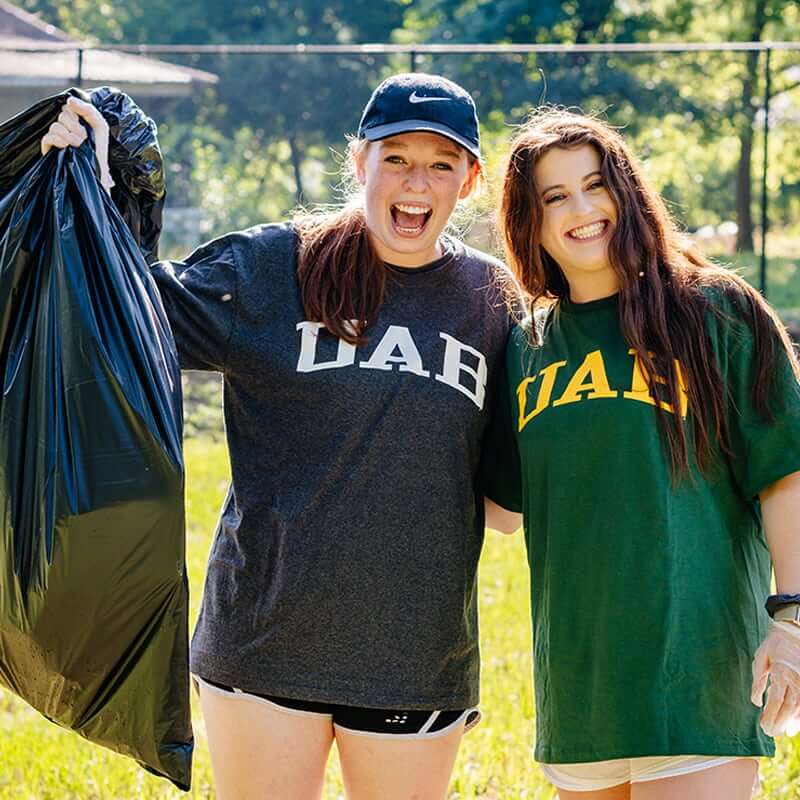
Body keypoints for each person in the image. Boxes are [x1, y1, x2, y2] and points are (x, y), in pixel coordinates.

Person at [42, 73, 513, 800]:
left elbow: (517, 481)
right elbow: (118, 310)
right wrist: (91, 182)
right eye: (396, 158)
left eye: (440, 164)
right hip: (261, 644)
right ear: (359, 161)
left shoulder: (491, 300)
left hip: (414, 655)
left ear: (470, 179)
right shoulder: (270, 268)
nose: (416, 183)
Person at [481, 108, 800, 800]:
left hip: (697, 680)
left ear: (627, 193)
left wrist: (793, 619)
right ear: (529, 223)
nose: (582, 210)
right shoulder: (526, 347)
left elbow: (785, 474)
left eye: (596, 185)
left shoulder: (715, 311)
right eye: (555, 197)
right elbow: (500, 511)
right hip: (580, 689)